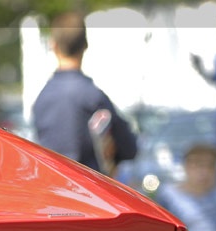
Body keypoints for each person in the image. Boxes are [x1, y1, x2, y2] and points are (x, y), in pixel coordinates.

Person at [31, 12, 137, 175]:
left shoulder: (41, 99)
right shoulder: (94, 96)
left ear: (53, 45)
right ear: (85, 45)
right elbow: (129, 149)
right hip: (89, 190)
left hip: (53, 187)